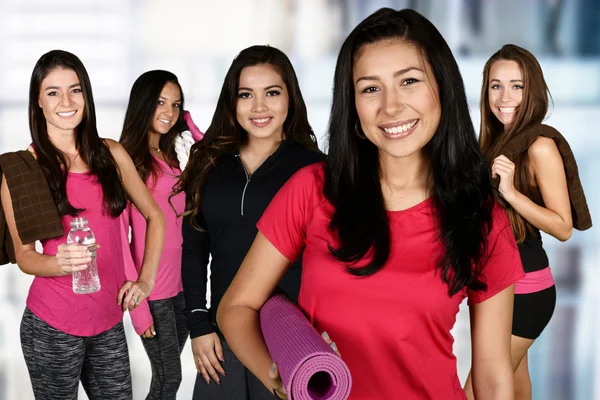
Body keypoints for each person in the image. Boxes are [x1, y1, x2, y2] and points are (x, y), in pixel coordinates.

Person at [216, 9, 526, 400]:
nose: (391, 107)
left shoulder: (481, 216)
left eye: (409, 81)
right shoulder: (312, 190)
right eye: (370, 88)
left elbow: (493, 375)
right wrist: (280, 380)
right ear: (353, 107)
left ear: (442, 89)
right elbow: (236, 307)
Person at [0, 50, 165, 399]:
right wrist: (56, 262)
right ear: (38, 102)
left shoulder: (111, 154)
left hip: (108, 321)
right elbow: (25, 256)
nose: (66, 101)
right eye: (52, 92)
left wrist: (146, 279)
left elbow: (154, 215)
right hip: (51, 325)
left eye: (75, 90)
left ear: (86, 96)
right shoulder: (23, 169)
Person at [175, 44, 325, 399]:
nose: (259, 107)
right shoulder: (209, 165)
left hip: (292, 340)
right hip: (222, 339)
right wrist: (199, 326)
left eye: (272, 93)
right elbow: (194, 252)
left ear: (291, 98)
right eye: (246, 95)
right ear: (232, 102)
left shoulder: (317, 170)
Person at [465, 44, 592, 400]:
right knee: (516, 387)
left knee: (476, 391)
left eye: (517, 86)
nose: (505, 96)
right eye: (496, 85)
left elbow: (563, 227)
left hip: (525, 292)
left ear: (532, 89)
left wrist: (512, 193)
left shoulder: (539, 147)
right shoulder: (495, 143)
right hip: (497, 286)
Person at [119, 70, 202, 400]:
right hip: (151, 291)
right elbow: (119, 239)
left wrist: (191, 125)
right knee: (170, 378)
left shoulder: (170, 158)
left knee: (168, 377)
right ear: (143, 105)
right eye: (160, 102)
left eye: (176, 104)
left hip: (181, 287)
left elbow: (216, 156)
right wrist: (136, 306)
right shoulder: (128, 160)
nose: (169, 112)